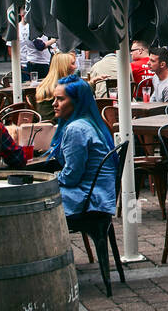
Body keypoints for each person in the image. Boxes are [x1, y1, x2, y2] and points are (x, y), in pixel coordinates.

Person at [49, 75, 118, 219]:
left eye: (60, 99)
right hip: (101, 195)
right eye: (54, 99)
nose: (54, 104)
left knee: (31, 203)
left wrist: (50, 179)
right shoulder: (89, 122)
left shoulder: (76, 129)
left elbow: (71, 177)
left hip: (89, 200)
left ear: (77, 102)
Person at [34, 52, 77, 121]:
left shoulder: (46, 84)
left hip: (44, 126)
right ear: (64, 67)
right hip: (57, 126)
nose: (75, 67)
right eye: (73, 63)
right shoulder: (62, 87)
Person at [16, 9, 54, 80]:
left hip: (39, 61)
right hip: (38, 63)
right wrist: (54, 40)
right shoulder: (31, 28)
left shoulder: (36, 27)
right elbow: (40, 46)